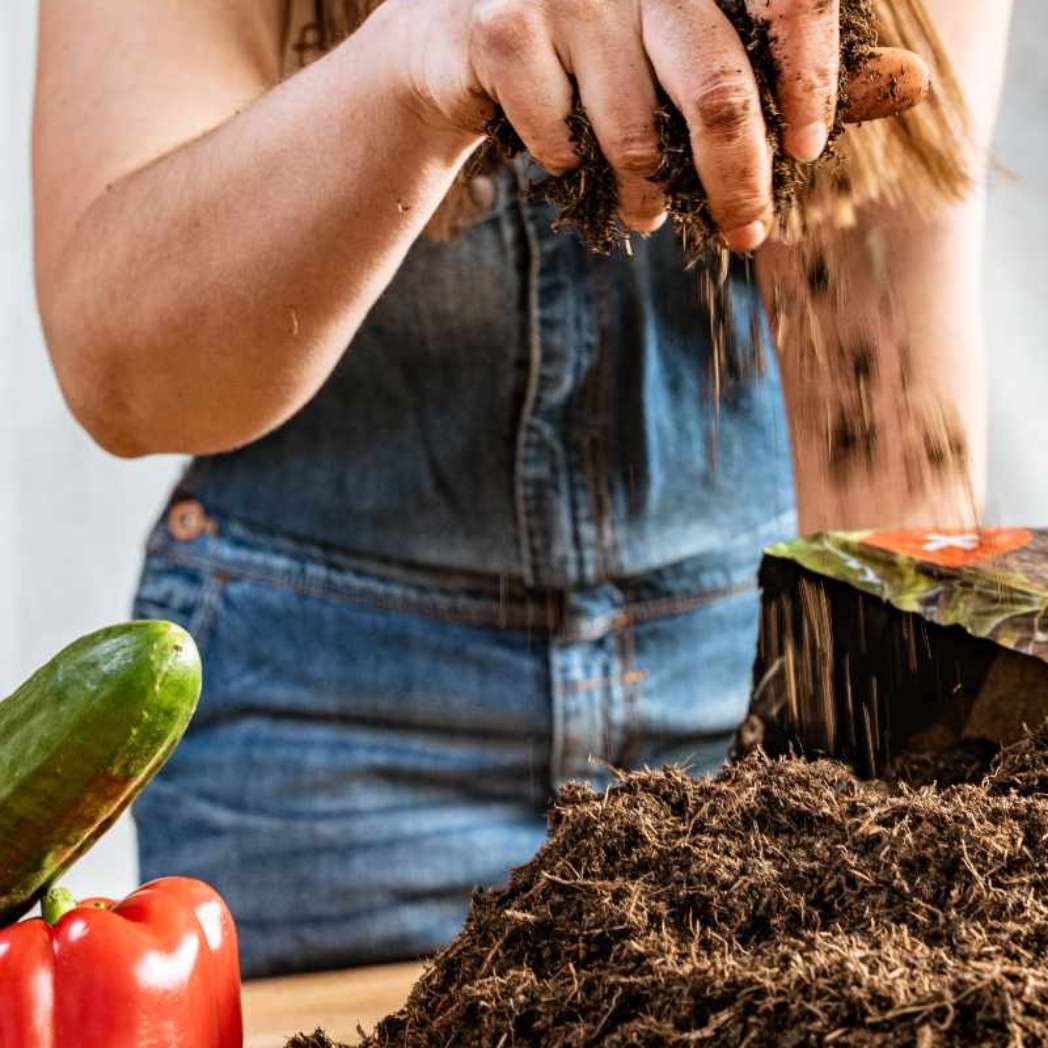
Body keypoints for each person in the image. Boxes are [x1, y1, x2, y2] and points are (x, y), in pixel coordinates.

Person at [33, 0, 1012, 977]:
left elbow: (883, 388)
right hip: (323, 733)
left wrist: (925, 812)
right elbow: (127, 380)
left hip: (754, 688)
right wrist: (422, 54)